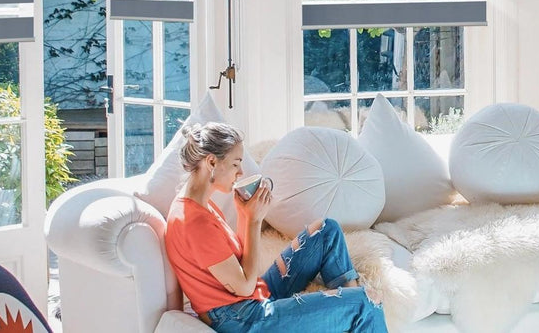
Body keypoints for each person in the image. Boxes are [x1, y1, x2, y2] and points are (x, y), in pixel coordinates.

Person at [164, 121, 387, 332]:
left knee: (326, 231)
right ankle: (354, 311)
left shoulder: (199, 206)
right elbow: (244, 286)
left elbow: (240, 263)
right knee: (367, 301)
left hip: (253, 298)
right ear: (212, 162)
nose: (240, 173)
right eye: (235, 163)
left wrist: (245, 214)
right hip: (243, 320)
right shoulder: (195, 222)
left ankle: (346, 314)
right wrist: (254, 220)